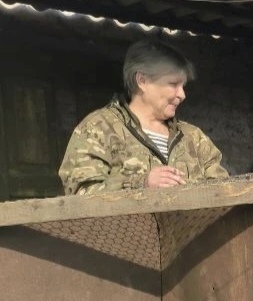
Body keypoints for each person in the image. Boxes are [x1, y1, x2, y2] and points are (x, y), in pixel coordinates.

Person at [59, 40, 228, 195]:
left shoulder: (194, 138)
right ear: (142, 80)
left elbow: (223, 191)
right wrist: (142, 184)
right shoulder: (98, 128)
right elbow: (81, 194)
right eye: (173, 84)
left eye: (183, 86)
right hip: (129, 229)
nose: (182, 95)